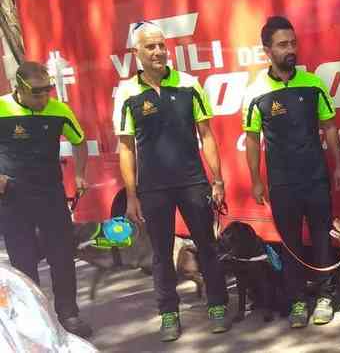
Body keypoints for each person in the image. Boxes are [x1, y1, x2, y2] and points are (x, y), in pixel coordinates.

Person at [113, 21, 230, 342]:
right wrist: (132, 196)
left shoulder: (189, 84)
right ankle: (168, 313)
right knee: (161, 254)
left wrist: (217, 180)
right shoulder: (127, 92)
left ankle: (218, 305)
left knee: (208, 245)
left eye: (161, 45)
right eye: (150, 47)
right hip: (153, 188)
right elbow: (125, 147)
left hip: (193, 182)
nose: (158, 52)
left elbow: (206, 134)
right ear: (136, 53)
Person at [242, 16, 340, 328]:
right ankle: (298, 301)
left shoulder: (313, 84)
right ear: (267, 51)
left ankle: (326, 297)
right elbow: (251, 138)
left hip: (315, 177)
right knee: (290, 244)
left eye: (293, 43)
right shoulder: (256, 91)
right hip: (282, 182)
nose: (290, 49)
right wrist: (256, 181)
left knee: (323, 238)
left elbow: (328, 125)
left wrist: (339, 165)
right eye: (282, 44)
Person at [0, 61, 92, 338]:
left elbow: (80, 140)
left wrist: (79, 175)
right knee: (23, 261)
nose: (44, 97)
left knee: (62, 256)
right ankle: (33, 321)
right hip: (12, 198)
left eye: (47, 91)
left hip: (50, 193)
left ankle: (69, 315)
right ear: (20, 87)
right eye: (37, 92)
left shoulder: (59, 110)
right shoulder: (2, 108)